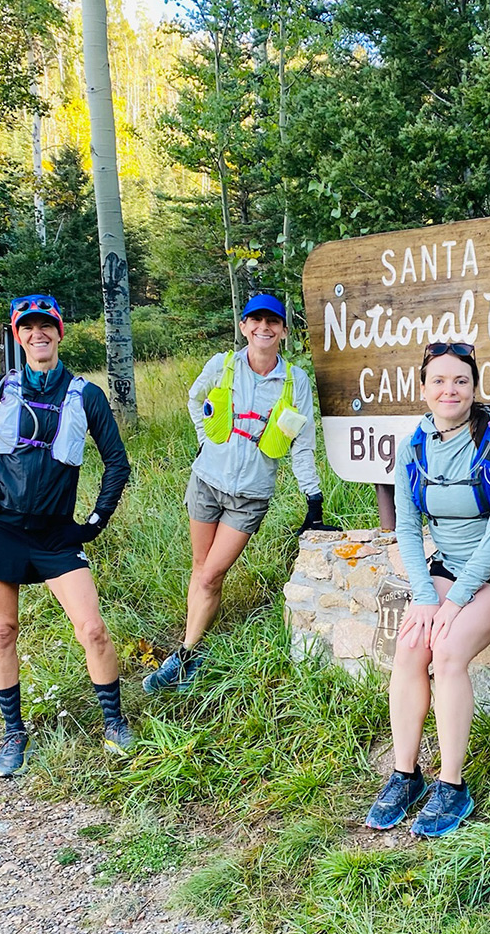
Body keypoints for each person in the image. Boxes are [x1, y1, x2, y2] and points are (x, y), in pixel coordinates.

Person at [0, 294, 133, 777]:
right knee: (1, 631)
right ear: (18, 338)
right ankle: (13, 733)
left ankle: (114, 722)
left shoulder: (87, 395)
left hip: (56, 535)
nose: (38, 335)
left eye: (47, 327)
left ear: (60, 334)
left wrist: (96, 520)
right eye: (28, 328)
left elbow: (117, 463)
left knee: (93, 629)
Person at [364, 341, 490, 837]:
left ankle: (452, 785)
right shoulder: (413, 446)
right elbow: (408, 528)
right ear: (423, 389)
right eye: (438, 380)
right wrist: (424, 597)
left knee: (450, 649)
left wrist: (454, 604)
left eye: (460, 380)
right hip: (447, 565)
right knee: (411, 646)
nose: (449, 389)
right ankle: (405, 774)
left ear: (475, 387)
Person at [143, 293, 335, 694]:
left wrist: (312, 498)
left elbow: (302, 442)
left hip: (250, 495)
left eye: (273, 322)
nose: (264, 328)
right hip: (206, 482)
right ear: (245, 326)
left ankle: (183, 656)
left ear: (283, 330)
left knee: (212, 574)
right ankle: (188, 656)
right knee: (200, 569)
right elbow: (195, 399)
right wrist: (204, 440)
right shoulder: (223, 365)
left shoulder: (293, 381)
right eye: (256, 321)